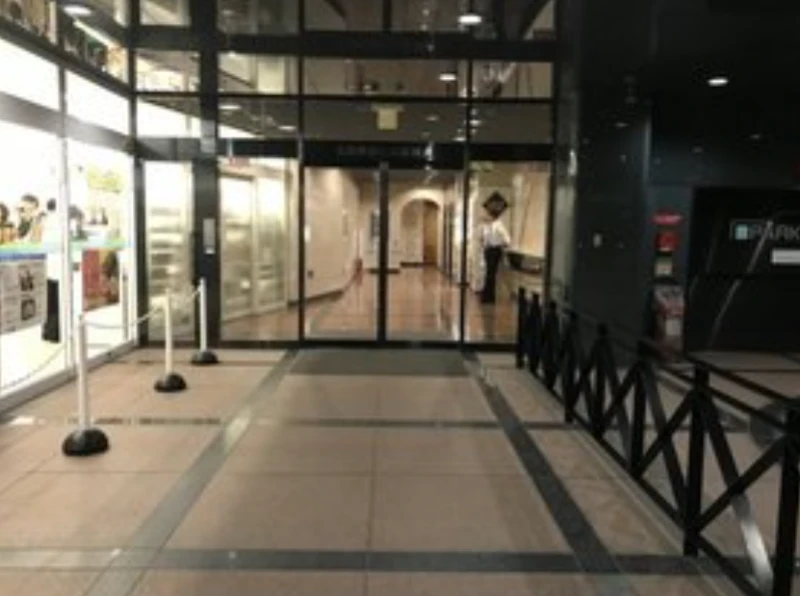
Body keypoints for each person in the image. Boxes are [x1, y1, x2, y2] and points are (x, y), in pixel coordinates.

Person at [479, 213, 510, 304]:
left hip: (495, 250)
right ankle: (488, 296)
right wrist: (483, 243)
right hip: (488, 250)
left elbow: (507, 239)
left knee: (491, 273)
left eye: (488, 215)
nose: (486, 217)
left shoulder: (499, 225)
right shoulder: (486, 226)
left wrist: (502, 244)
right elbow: (484, 239)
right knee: (488, 273)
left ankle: (488, 296)